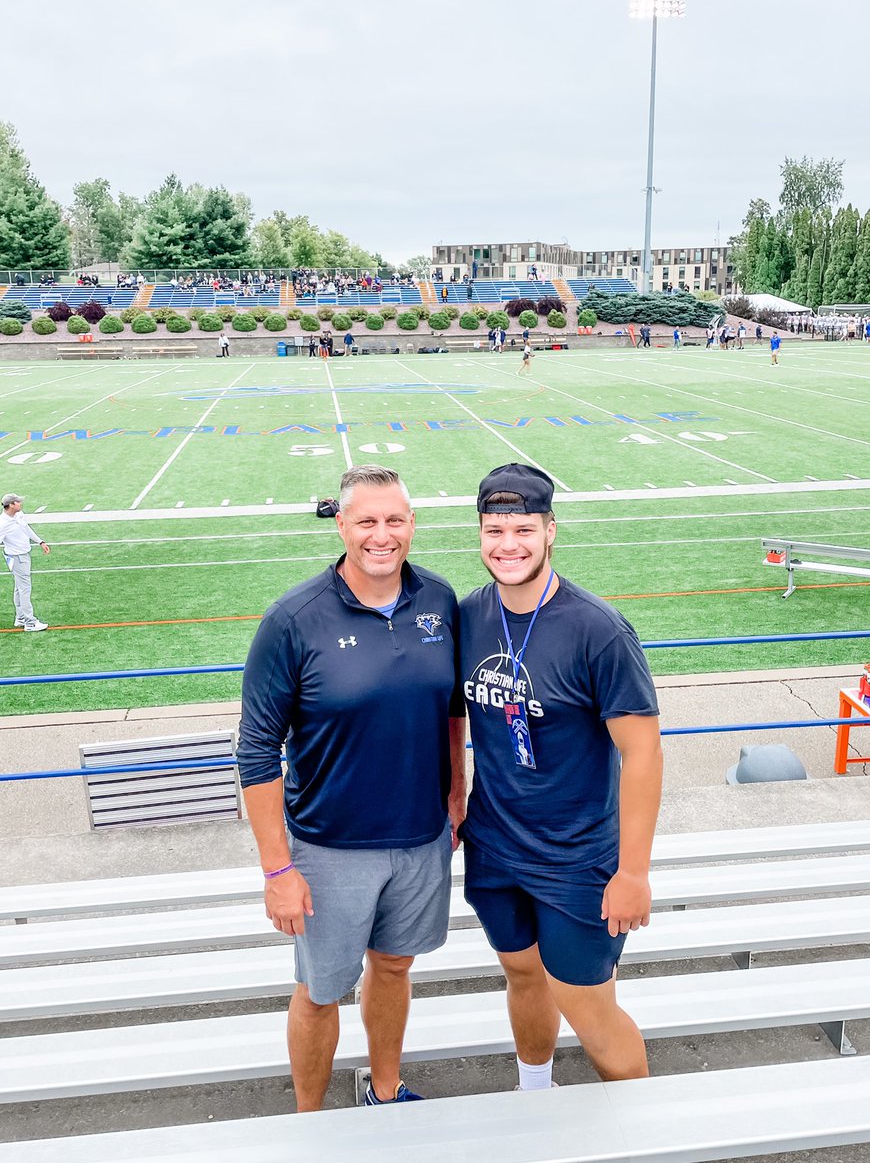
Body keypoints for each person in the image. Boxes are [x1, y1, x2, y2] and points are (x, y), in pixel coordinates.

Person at [236, 465, 466, 1113]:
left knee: (395, 968)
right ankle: (312, 1121)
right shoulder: (294, 619)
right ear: (341, 524)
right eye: (367, 520)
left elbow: (453, 708)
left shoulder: (439, 602)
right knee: (321, 990)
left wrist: (456, 792)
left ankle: (385, 1090)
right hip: (329, 847)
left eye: (395, 519)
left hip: (421, 839)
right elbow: (256, 749)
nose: (382, 534)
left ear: (412, 524)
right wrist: (277, 867)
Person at [459, 463, 663, 1092]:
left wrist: (632, 874)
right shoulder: (469, 616)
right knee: (521, 975)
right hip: (495, 845)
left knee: (587, 1006)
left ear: (551, 531)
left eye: (523, 528)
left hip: (575, 857)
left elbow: (645, 755)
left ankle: (640, 1137)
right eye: (495, 530)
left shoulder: (597, 630)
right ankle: (535, 1092)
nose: (508, 544)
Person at [1, 494, 51, 632]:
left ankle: (21, 617)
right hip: (16, 557)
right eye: (18, 502)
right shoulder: (3, 524)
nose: (20, 504)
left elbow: (26, 528)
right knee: (24, 589)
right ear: (11, 505)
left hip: (22, 555)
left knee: (19, 587)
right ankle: (30, 622)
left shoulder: (18, 515)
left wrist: (40, 541)